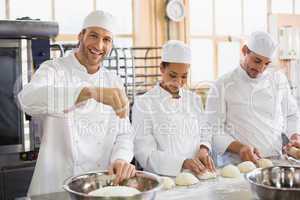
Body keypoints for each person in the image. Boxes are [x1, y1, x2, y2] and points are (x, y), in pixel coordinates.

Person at [18, 10, 136, 196]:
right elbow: (28, 99)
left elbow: (124, 133)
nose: (99, 45)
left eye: (107, 40)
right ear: (80, 36)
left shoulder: (114, 81)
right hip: (55, 187)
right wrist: (88, 92)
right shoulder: (54, 69)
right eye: (93, 36)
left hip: (99, 186)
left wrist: (121, 158)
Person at [205, 31, 300, 165]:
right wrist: (240, 148)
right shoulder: (222, 84)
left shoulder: (278, 80)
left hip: (275, 161)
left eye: (266, 64)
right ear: (244, 51)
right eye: (257, 61)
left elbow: (292, 114)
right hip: (238, 164)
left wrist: (295, 136)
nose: (261, 68)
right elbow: (213, 128)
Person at [132, 40, 215, 176]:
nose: (178, 82)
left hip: (198, 176)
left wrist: (204, 148)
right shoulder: (144, 104)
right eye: (173, 75)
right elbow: (145, 154)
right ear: (162, 69)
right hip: (164, 180)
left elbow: (205, 131)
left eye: (184, 76)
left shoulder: (194, 99)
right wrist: (181, 163)